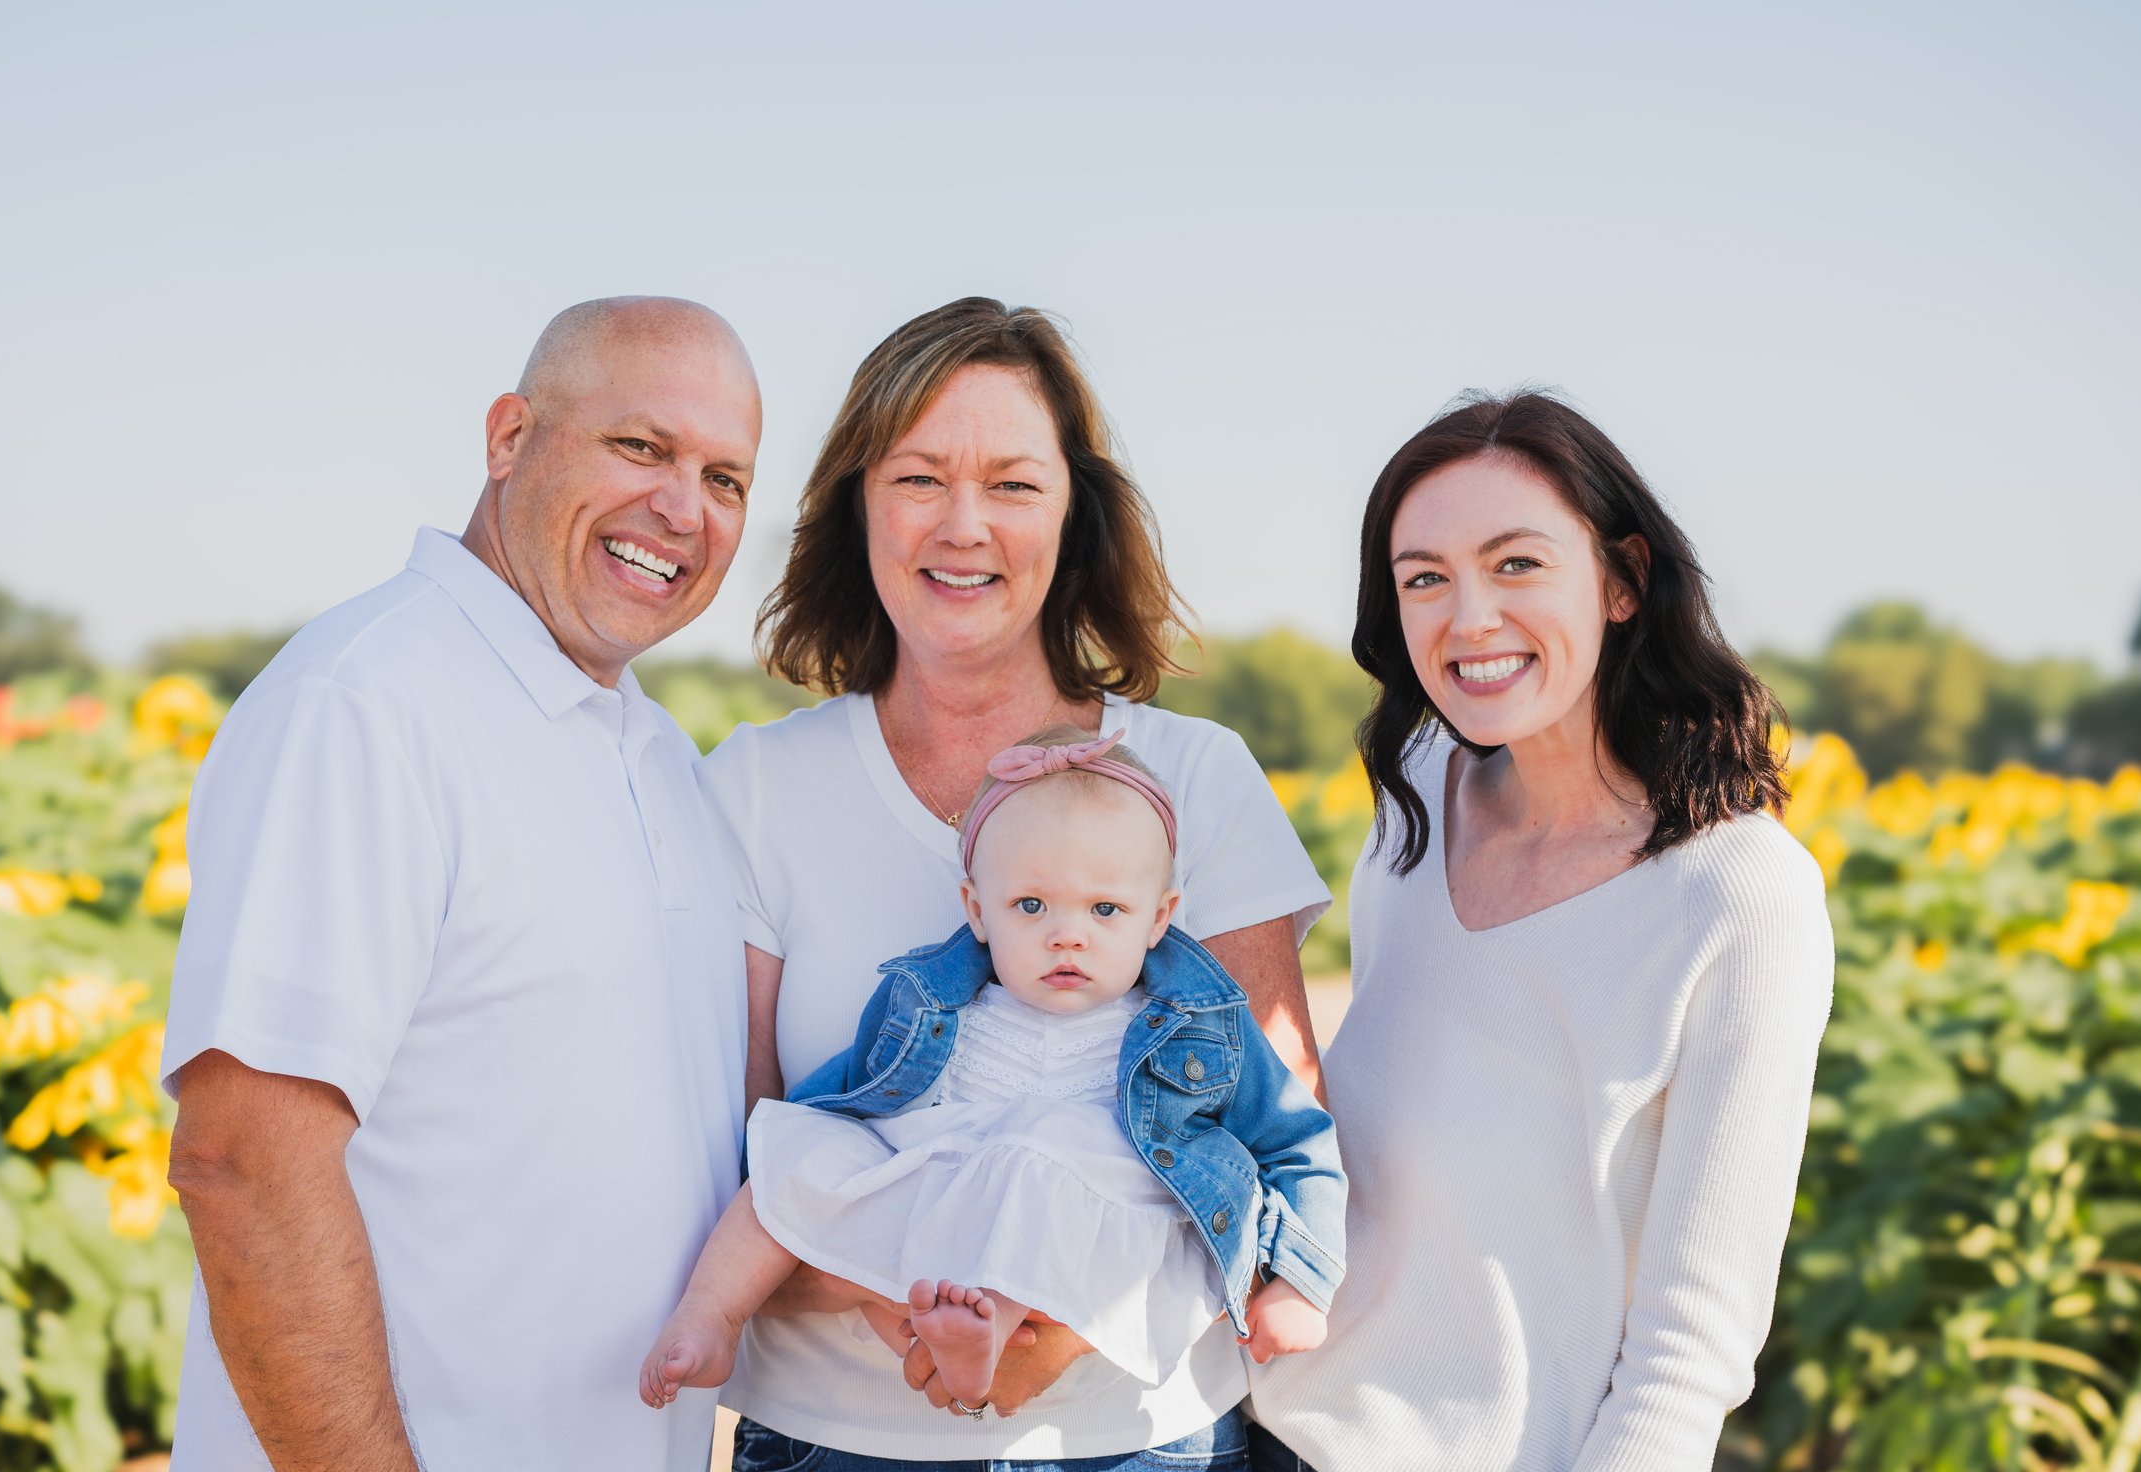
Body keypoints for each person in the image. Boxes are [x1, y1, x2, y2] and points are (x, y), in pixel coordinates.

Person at [704, 297, 1336, 1469]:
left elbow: (1264, 1149)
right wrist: (903, 1296)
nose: (963, 524)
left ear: (1073, 514)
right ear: (856, 504)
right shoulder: (753, 788)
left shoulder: (1196, 777)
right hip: (835, 1445)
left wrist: (1061, 1325)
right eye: (918, 477)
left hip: (1141, 1442)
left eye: (1011, 482)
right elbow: (735, 1156)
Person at [160, 297, 764, 1472]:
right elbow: (242, 1161)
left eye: (726, 478)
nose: (681, 508)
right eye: (639, 447)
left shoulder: (660, 759)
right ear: (507, 438)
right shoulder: (367, 704)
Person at [1248, 391, 1836, 1470]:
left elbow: (1690, 1347)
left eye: (1515, 563)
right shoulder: (1418, 795)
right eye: (1423, 576)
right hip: (1260, 1423)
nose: (1465, 616)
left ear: (1622, 579)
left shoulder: (1738, 897)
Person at [641, 727, 1344, 1414]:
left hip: (1087, 1206)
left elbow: (1295, 1137)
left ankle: (989, 1330)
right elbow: (843, 1096)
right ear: (978, 910)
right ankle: (712, 1314)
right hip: (941, 1191)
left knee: (1041, 1151)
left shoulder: (1198, 1027)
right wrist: (802, 1157)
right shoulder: (928, 1002)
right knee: (796, 1148)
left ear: (1158, 919)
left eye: (1106, 909)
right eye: (1030, 905)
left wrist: (1300, 1282)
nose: (1067, 933)